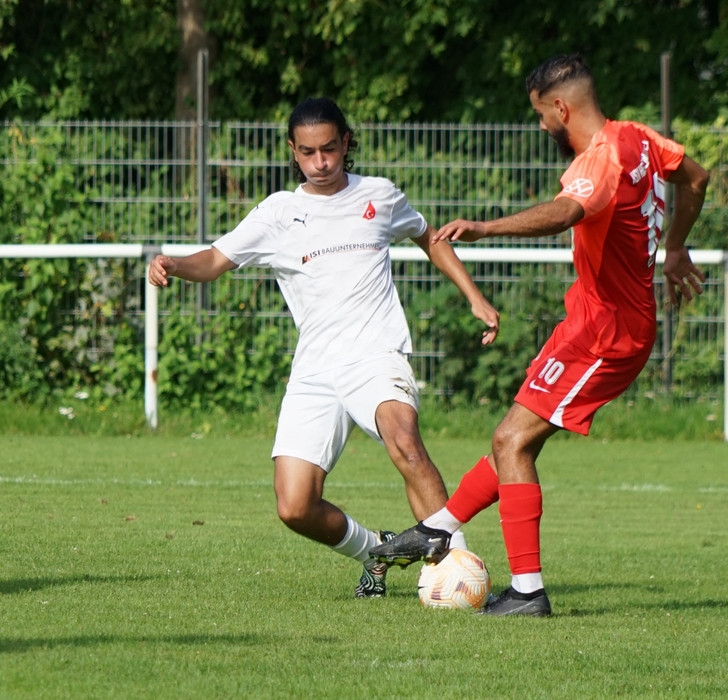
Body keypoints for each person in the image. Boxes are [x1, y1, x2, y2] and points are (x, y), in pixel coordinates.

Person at [370, 53, 709, 616]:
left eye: (541, 115)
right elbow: (696, 178)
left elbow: (566, 212)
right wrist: (675, 246)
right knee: (515, 442)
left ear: (560, 107)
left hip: (608, 332)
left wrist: (486, 226)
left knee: (511, 440)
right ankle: (438, 527)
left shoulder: (600, 157)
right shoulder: (640, 138)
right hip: (588, 322)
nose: (542, 125)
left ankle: (527, 592)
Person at [147, 97, 499, 599]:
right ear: (293, 151)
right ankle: (376, 551)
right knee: (294, 506)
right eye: (308, 152)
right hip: (315, 368)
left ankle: (458, 568)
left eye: (330, 149)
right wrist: (174, 263)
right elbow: (215, 260)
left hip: (376, 354)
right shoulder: (279, 213)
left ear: (346, 143)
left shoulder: (379, 195)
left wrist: (475, 297)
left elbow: (429, 236)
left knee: (405, 441)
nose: (321, 162)